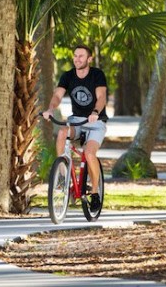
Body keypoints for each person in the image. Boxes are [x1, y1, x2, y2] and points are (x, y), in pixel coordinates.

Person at [42, 44, 108, 213]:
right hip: (76, 121)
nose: (77, 59)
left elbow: (101, 98)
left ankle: (94, 193)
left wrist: (95, 112)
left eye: (81, 56)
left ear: (89, 59)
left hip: (95, 122)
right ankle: (62, 176)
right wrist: (50, 109)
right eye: (75, 56)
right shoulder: (68, 75)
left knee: (89, 153)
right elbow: (57, 95)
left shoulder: (97, 75)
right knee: (63, 132)